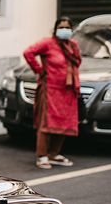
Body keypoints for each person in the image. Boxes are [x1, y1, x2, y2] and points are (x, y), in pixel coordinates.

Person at [23, 16, 82, 170]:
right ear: (55, 30)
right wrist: (39, 71)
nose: (64, 30)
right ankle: (42, 155)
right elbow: (28, 53)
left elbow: (77, 61)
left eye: (67, 27)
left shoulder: (73, 45)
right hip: (51, 89)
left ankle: (54, 153)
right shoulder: (47, 44)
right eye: (61, 27)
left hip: (68, 90)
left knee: (64, 122)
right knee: (46, 123)